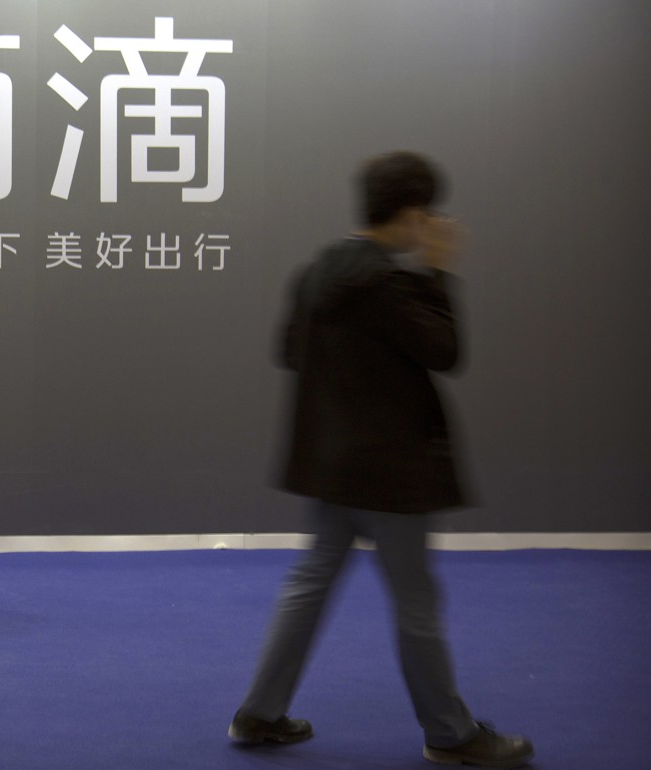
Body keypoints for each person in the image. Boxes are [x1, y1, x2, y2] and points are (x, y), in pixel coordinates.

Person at [227, 152, 533, 768]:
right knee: (416, 606)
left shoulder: (314, 272)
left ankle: (258, 715)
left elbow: (290, 352)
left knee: (308, 586)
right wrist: (439, 271)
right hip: (392, 475)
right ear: (414, 213)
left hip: (331, 468)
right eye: (430, 216)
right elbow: (444, 351)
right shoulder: (390, 284)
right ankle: (451, 734)